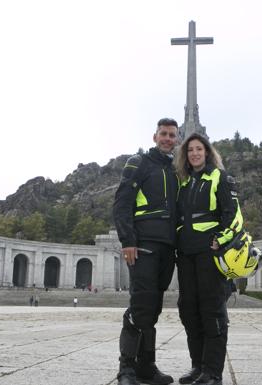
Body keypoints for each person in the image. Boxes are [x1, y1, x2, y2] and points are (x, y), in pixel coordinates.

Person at [113, 118, 180, 385]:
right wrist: (127, 240)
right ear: (155, 137)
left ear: (177, 139)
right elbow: (122, 202)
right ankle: (126, 368)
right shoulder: (139, 162)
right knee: (140, 305)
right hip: (143, 244)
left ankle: (147, 367)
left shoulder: (177, 170)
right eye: (163, 134)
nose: (167, 138)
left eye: (172, 135)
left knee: (153, 309)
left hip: (168, 248)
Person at [175, 133, 243, 385]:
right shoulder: (184, 183)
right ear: (186, 155)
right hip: (186, 255)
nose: (194, 153)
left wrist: (222, 240)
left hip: (209, 254)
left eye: (199, 149)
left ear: (207, 152)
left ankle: (213, 372)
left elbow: (234, 215)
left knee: (211, 310)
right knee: (188, 309)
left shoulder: (221, 177)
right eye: (190, 150)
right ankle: (198, 367)